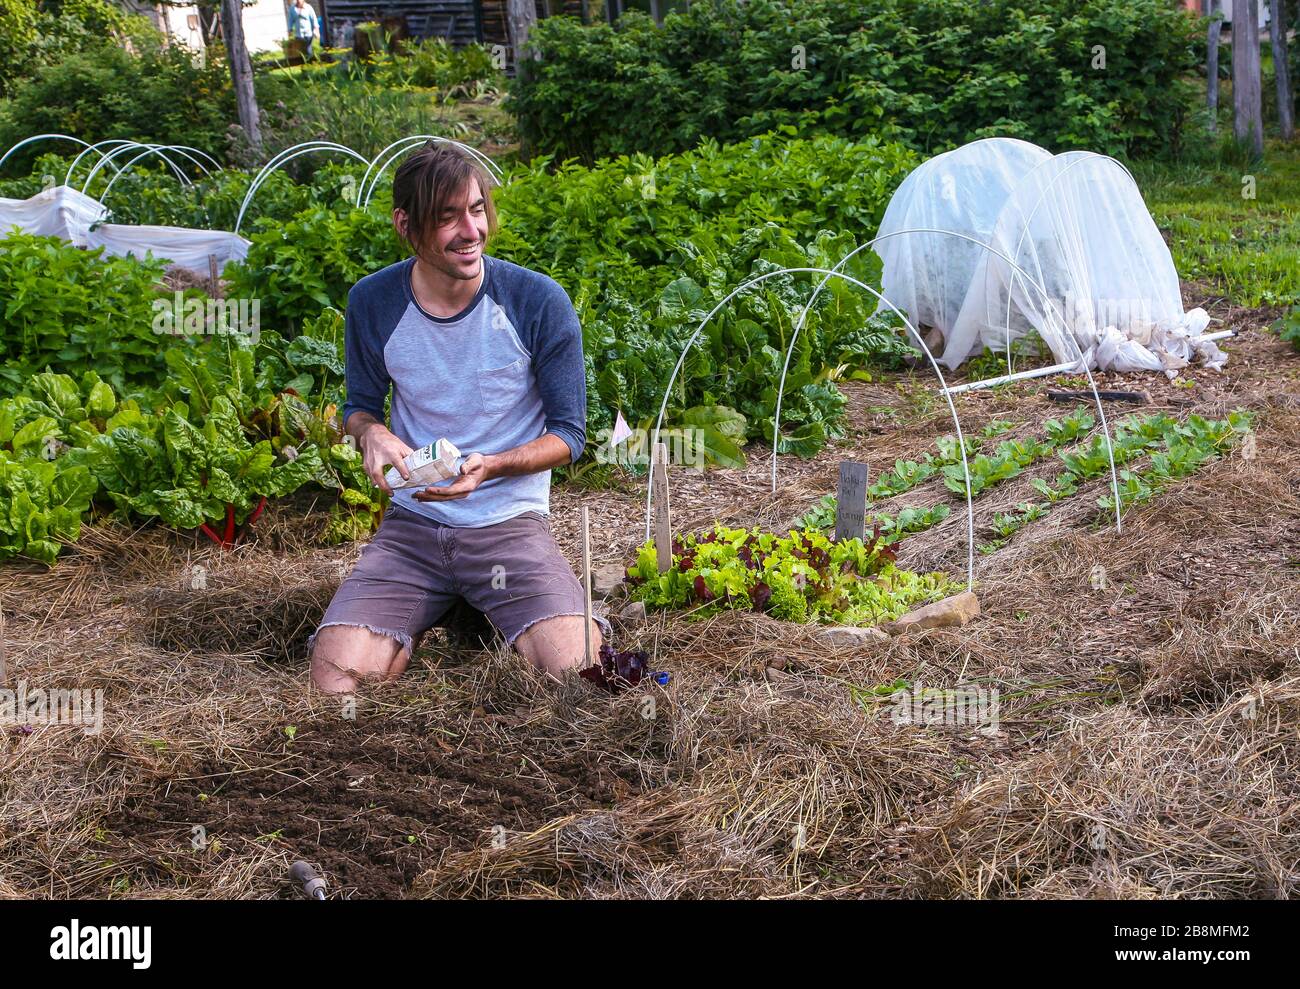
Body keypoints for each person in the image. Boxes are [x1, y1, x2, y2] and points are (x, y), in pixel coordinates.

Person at [308, 142, 610, 694]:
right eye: (447, 218)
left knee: (581, 679)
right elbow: (357, 406)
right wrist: (370, 431)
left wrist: (491, 466)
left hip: (509, 526)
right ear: (405, 223)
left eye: (476, 209)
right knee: (335, 686)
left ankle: (483, 609)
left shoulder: (536, 301)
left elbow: (569, 436)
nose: (470, 231)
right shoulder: (373, 302)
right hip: (413, 529)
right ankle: (444, 609)